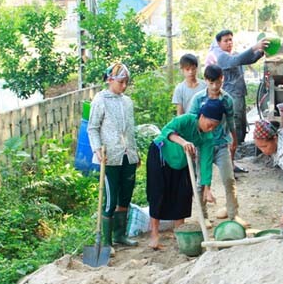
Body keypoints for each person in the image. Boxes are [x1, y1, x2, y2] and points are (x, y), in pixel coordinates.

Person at [146, 99, 226, 249]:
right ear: (201, 116)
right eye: (209, 124)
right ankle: (154, 235)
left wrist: (207, 188)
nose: (210, 129)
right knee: (158, 193)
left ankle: (180, 234)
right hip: (161, 155)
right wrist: (183, 142)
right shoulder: (186, 119)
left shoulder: (208, 137)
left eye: (214, 127)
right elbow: (167, 131)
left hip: (183, 160)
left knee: (182, 195)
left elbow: (205, 162)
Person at [189, 64, 249, 228]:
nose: (215, 87)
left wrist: (234, 140)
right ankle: (204, 216)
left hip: (222, 144)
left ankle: (233, 214)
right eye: (212, 83)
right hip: (203, 146)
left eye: (218, 82)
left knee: (229, 179)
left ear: (222, 79)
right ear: (206, 81)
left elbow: (231, 121)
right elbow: (192, 122)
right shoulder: (198, 100)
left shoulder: (227, 99)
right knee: (202, 182)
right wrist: (193, 145)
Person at [87, 63, 139, 248]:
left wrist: (135, 152)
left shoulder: (127, 101)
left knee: (125, 197)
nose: (124, 86)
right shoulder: (100, 100)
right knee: (110, 201)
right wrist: (97, 149)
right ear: (110, 80)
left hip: (128, 156)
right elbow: (92, 128)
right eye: (121, 82)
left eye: (126, 82)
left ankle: (120, 235)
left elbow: (131, 130)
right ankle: (107, 243)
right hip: (109, 157)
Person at [215, 29, 268, 148]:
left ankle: (240, 148)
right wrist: (255, 47)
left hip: (239, 94)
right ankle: (235, 150)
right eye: (225, 41)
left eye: (230, 40)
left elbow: (250, 59)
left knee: (242, 123)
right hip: (231, 95)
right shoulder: (222, 57)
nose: (229, 43)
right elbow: (237, 60)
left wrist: (261, 52)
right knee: (236, 123)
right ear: (219, 44)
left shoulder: (233, 54)